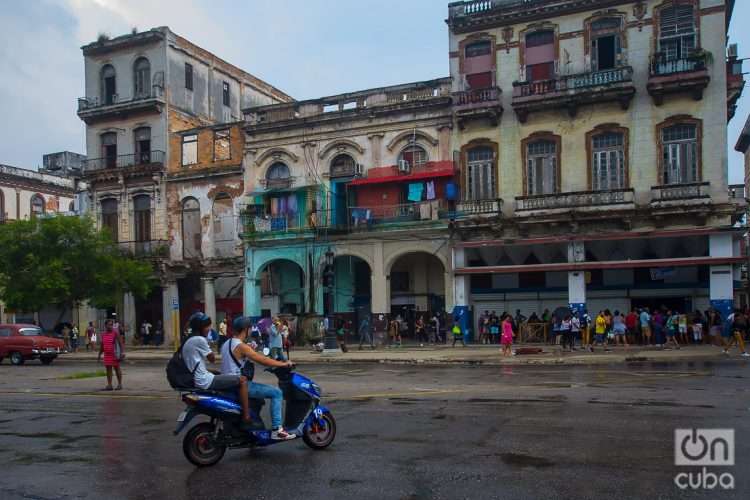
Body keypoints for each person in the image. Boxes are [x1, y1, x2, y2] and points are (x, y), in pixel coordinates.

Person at [221, 317, 296, 440]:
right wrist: (283, 364)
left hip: (228, 383)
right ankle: (277, 430)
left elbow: (239, 359)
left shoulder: (227, 343)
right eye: (250, 328)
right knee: (276, 393)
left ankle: (256, 427)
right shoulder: (241, 346)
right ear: (246, 329)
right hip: (239, 384)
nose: (251, 331)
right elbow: (263, 360)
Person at [183, 312, 252, 428]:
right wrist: (208, 345)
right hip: (204, 381)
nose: (209, 329)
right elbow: (212, 359)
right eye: (207, 326)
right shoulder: (200, 340)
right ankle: (246, 416)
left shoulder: (189, 340)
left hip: (197, 377)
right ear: (200, 327)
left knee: (220, 374)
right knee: (242, 380)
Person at [98, 319, 124, 390]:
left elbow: (120, 343)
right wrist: (99, 354)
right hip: (107, 354)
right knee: (108, 370)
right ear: (105, 325)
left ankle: (119, 384)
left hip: (114, 354)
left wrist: (122, 352)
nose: (110, 326)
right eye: (109, 325)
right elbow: (102, 345)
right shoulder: (103, 334)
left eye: (111, 325)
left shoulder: (115, 333)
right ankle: (109, 385)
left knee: (117, 368)